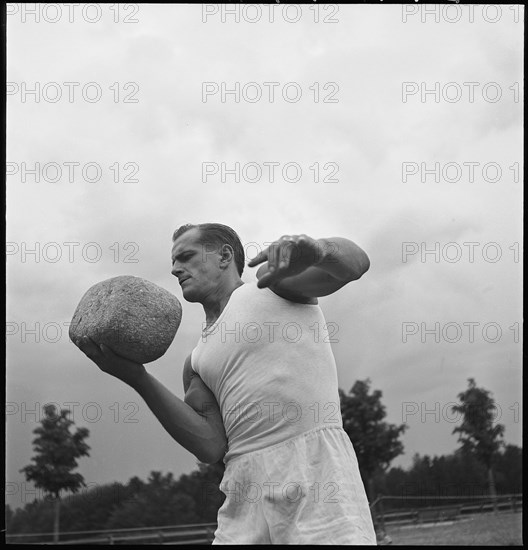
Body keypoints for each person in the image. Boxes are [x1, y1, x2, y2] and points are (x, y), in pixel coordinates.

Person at [79, 223, 376, 544]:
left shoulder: (272, 286)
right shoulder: (196, 361)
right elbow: (210, 446)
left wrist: (320, 250)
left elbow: (355, 265)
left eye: (186, 256)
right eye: (174, 262)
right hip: (243, 493)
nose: (176, 269)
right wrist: (137, 378)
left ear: (224, 256)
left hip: (314, 476)